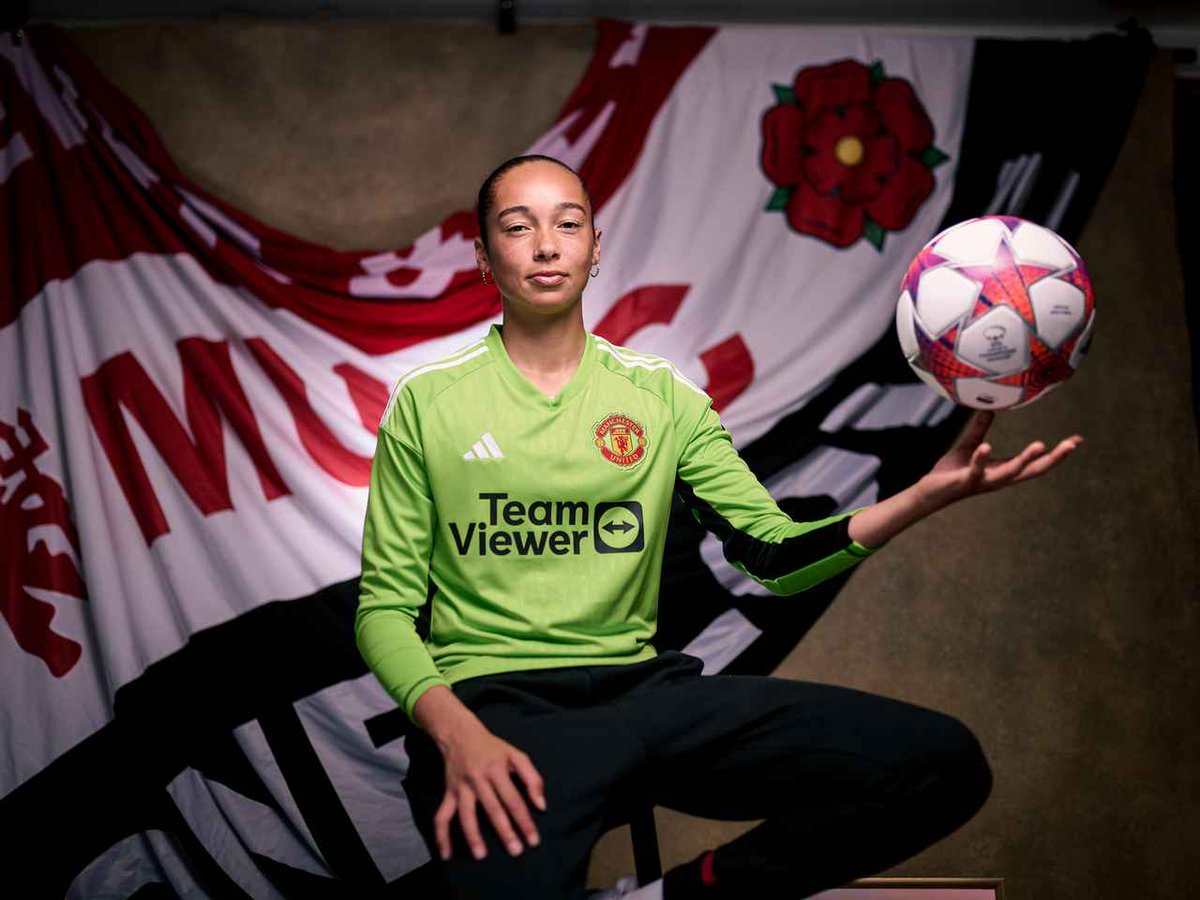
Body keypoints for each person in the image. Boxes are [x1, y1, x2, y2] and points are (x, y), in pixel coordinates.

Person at [356, 154, 1083, 899]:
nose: (546, 244)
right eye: (518, 226)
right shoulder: (429, 403)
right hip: (500, 713)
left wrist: (917, 499)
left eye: (567, 224)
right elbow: (383, 610)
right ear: (484, 256)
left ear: (595, 245)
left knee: (940, 763)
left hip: (643, 696)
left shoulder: (662, 397)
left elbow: (771, 555)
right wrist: (456, 735)